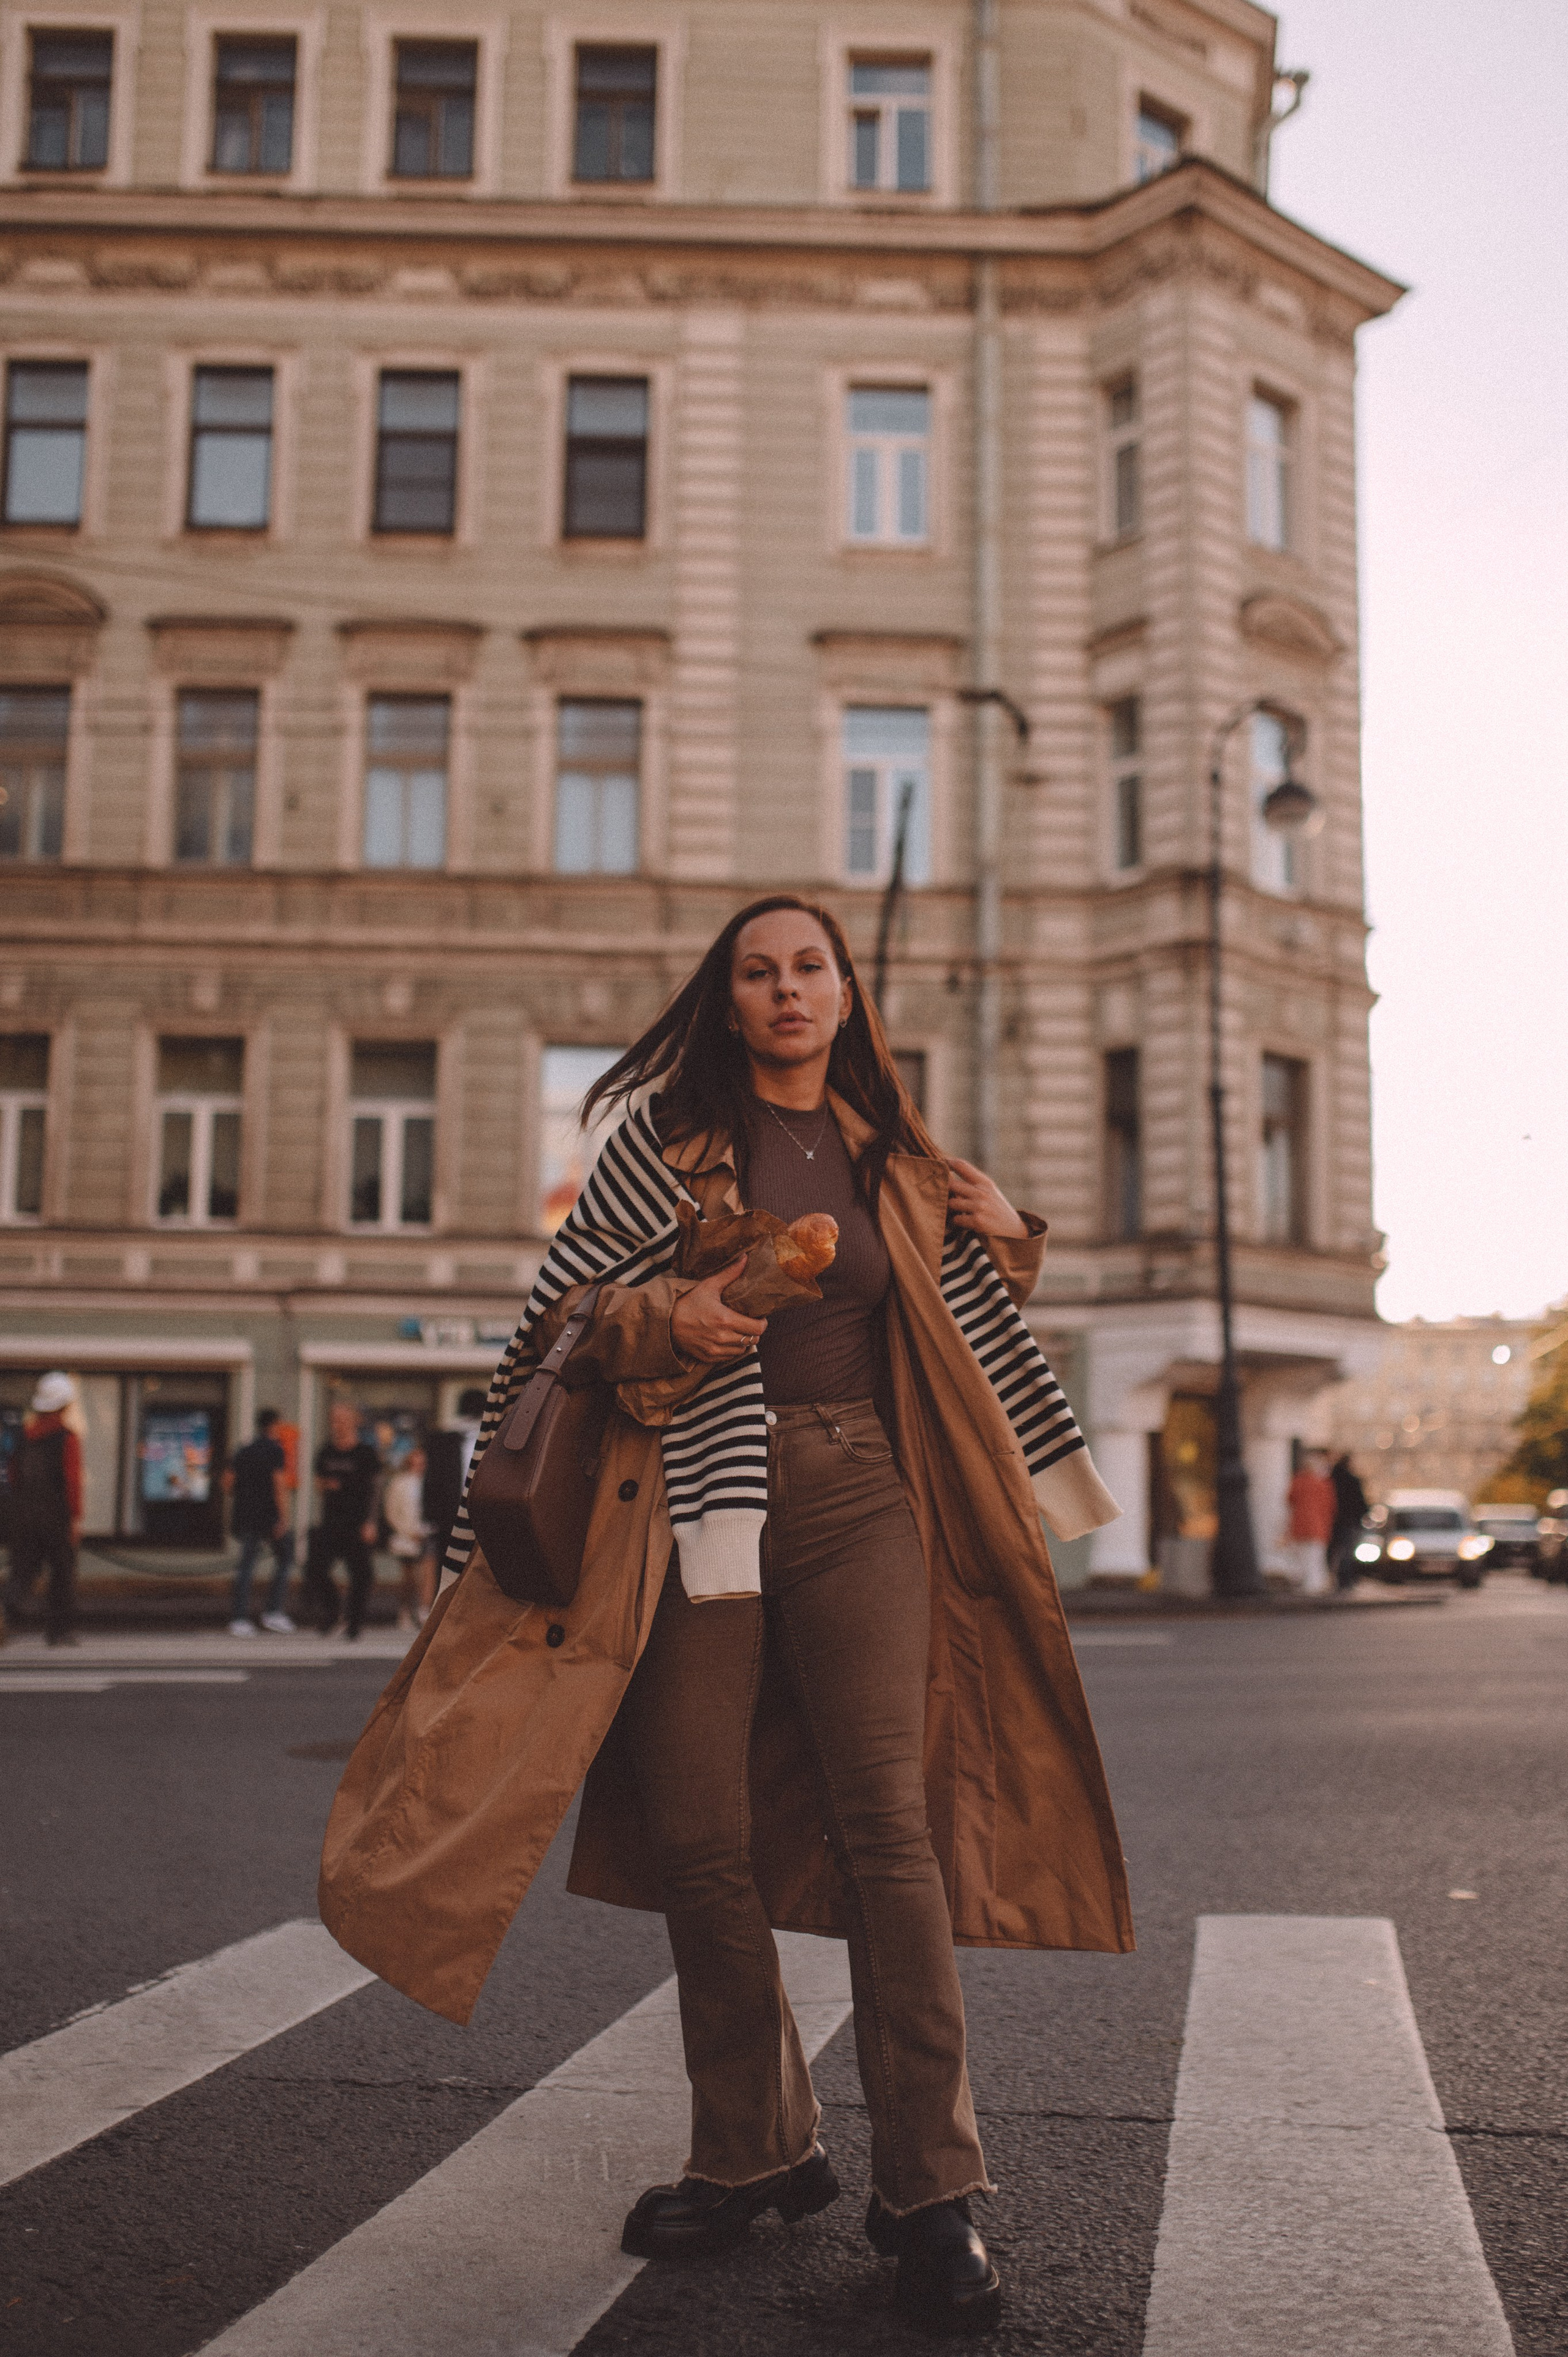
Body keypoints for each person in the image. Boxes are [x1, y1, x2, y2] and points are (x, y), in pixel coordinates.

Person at [319, 896, 1131, 2336]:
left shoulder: (893, 1147)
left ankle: (931, 2190)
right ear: (728, 997)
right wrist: (670, 1320)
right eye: (756, 971)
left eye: (807, 967)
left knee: (889, 1827)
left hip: (866, 1489)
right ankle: (755, 2147)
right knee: (700, 1832)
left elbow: (956, 1322)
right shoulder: (660, 1140)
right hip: (689, 1495)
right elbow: (566, 1317)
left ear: (841, 990)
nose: (784, 990)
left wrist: (1012, 1232)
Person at [6, 1371, 82, 1646]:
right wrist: (75, 1519)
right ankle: (59, 1632)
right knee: (61, 1573)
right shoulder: (67, 1438)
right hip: (56, 1516)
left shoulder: (24, 1436)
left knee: (22, 1573)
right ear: (64, 1406)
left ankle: (5, 1613)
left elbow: (13, 1475)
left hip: (24, 1514)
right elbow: (72, 1481)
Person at [302, 1402, 382, 1640]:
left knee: (361, 1576)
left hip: (358, 1522)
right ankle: (332, 1611)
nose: (337, 1425)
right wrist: (328, 1485)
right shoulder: (326, 1451)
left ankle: (354, 1624)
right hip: (331, 1522)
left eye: (342, 1420)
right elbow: (318, 1483)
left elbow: (376, 1490)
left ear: (353, 1422)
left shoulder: (365, 1453)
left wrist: (372, 1522)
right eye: (334, 1420)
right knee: (316, 1570)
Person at [223, 1407, 296, 1635]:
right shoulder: (275, 1450)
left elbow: (227, 1484)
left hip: (245, 1515)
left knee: (246, 1566)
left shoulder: (244, 1450)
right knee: (286, 1557)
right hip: (268, 1516)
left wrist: (244, 1493)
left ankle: (240, 1619)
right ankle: (273, 1612)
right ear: (274, 1425)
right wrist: (283, 1518)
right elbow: (279, 1486)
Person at [383, 1444, 435, 1633]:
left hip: (427, 1533)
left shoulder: (431, 1482)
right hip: (407, 1536)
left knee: (428, 1572)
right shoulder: (400, 1483)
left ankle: (424, 1610)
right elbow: (392, 1512)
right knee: (408, 1578)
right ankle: (405, 1610)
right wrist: (408, 1531)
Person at [1285, 1448, 1336, 1594]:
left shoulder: (1298, 1481)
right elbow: (1330, 1507)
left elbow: (1290, 1500)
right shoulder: (1323, 1484)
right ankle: (1313, 1586)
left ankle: (1303, 1584)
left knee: (1301, 1557)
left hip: (1299, 1526)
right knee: (1315, 1558)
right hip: (1318, 1527)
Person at [1330, 1451, 1370, 1590]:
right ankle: (1345, 1580)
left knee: (1335, 1551)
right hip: (1350, 1521)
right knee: (1348, 1552)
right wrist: (1365, 1514)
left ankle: (1335, 1578)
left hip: (1333, 1521)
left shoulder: (1331, 1479)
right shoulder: (1352, 1480)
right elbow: (1360, 1502)